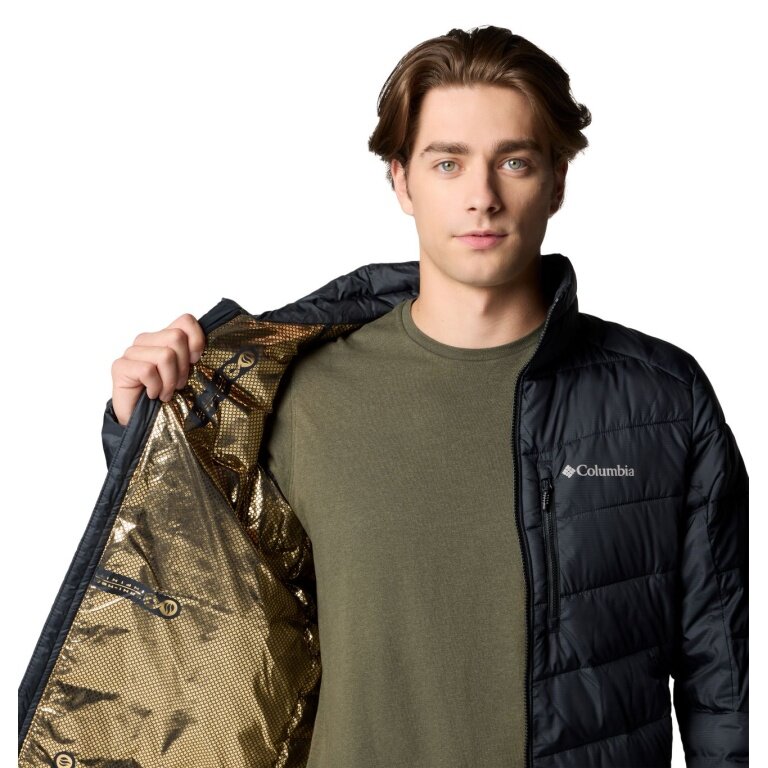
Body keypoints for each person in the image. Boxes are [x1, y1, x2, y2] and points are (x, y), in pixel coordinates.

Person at [19, 25, 748, 768]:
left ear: (558, 179)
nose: (482, 197)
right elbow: (199, 600)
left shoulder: (660, 399)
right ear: (401, 181)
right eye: (447, 163)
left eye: (514, 161)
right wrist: (142, 427)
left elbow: (718, 680)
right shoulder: (298, 391)